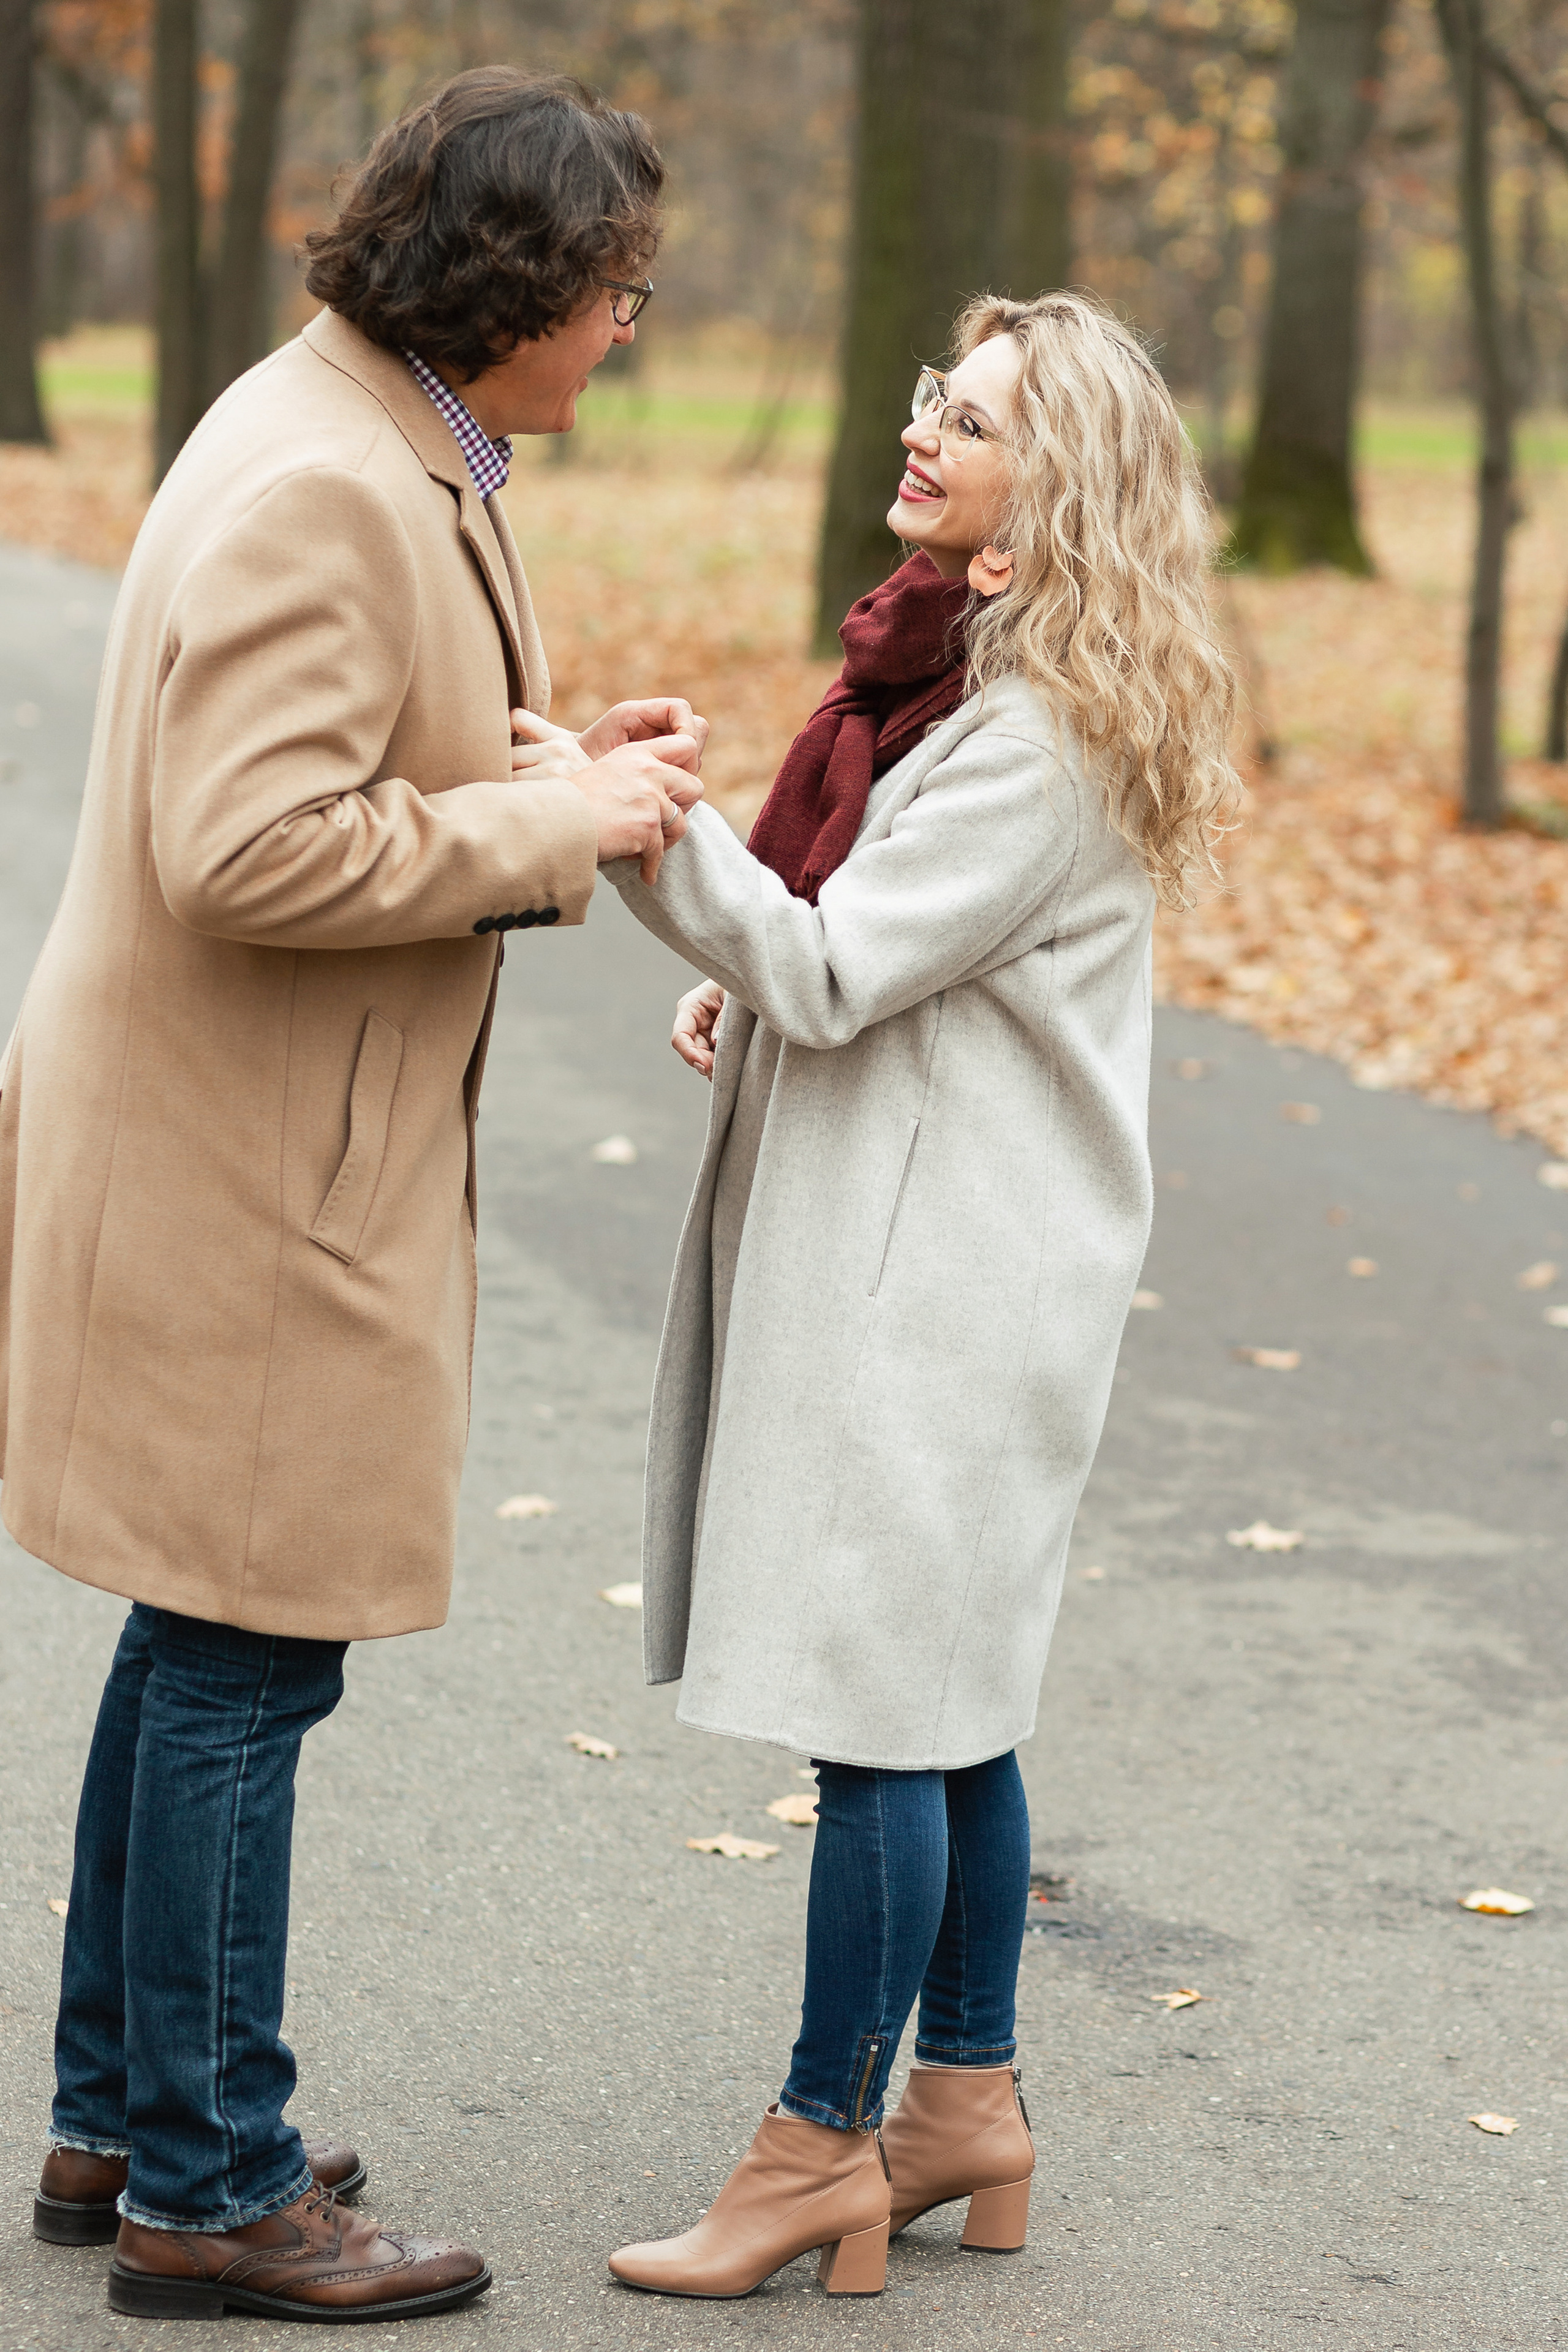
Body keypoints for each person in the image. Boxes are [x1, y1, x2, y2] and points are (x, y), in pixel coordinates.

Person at [1, 69, 707, 2326]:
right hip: (247, 1164)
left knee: (197, 1635)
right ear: (516, 286)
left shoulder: (366, 427)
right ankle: (212, 2183)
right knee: (245, 1655)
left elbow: (336, 755)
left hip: (235, 1136)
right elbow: (247, 845)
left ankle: (124, 2114)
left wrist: (556, 770)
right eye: (615, 289)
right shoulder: (333, 477)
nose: (628, 328)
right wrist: (555, 829)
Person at [572, 290, 1238, 2299]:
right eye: (939, 394)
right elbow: (880, 950)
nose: (927, 427)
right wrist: (754, 967)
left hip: (947, 1282)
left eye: (979, 419)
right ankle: (966, 2105)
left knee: (882, 1716)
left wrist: (653, 833)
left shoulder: (1030, 740)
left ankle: (817, 2149)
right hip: (967, 1253)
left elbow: (845, 967)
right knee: (954, 1710)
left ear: (1058, 499)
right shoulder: (973, 692)